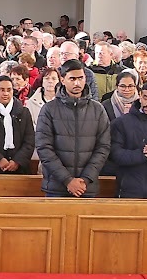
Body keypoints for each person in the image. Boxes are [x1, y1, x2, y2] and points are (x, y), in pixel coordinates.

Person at [35, 59, 110, 198]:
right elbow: (44, 147)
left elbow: (103, 147)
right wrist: (67, 180)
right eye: (72, 79)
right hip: (57, 186)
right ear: (62, 80)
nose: (77, 83)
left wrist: (85, 179)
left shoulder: (97, 109)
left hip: (86, 187)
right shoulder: (49, 109)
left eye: (80, 78)